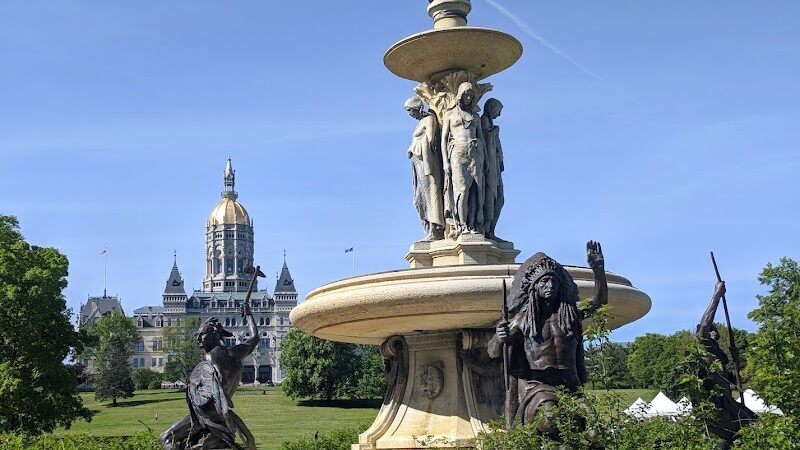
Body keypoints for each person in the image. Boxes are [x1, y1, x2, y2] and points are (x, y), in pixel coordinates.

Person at [489, 241, 607, 430]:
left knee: (594, 428)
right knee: (550, 419)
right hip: (538, 386)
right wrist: (499, 336)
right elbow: (494, 351)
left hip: (571, 386)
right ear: (535, 286)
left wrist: (598, 271)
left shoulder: (570, 313)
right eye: (544, 281)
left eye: (554, 281)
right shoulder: (522, 320)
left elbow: (598, 303)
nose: (550, 285)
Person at [160, 303, 258, 450]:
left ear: (214, 334)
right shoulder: (236, 352)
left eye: (202, 334)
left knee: (166, 438)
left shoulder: (212, 356)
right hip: (222, 413)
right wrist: (249, 315)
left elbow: (218, 387)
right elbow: (254, 338)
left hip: (207, 414)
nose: (199, 339)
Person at [693, 281, 757, 447]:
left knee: (754, 427)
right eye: (711, 329)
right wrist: (716, 296)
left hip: (729, 403)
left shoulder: (719, 356)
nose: (714, 331)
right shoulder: (704, 347)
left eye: (715, 329)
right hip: (718, 407)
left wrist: (737, 362)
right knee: (748, 430)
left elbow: (733, 383)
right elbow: (705, 325)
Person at [441, 82, 486, 236]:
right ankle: (462, 225)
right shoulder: (450, 115)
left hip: (475, 152)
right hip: (458, 152)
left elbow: (482, 138)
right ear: (460, 95)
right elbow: (443, 139)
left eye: (470, 96)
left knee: (476, 190)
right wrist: (445, 162)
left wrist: (485, 159)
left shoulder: (475, 116)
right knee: (462, 190)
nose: (468, 98)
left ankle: (473, 225)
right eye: (466, 95)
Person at [405, 96, 445, 241]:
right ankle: (427, 228)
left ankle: (436, 229)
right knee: (418, 198)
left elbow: (430, 140)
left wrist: (413, 148)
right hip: (418, 163)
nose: (410, 114)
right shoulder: (421, 122)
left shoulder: (429, 120)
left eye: (410, 110)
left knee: (430, 193)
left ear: (417, 108)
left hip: (427, 163)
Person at [481, 98, 505, 240]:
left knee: (499, 199)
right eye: (498, 110)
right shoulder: (484, 120)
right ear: (491, 108)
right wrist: (494, 131)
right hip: (489, 167)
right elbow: (486, 138)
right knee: (491, 197)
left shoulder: (489, 122)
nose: (499, 115)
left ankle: (491, 230)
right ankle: (487, 230)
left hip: (495, 164)